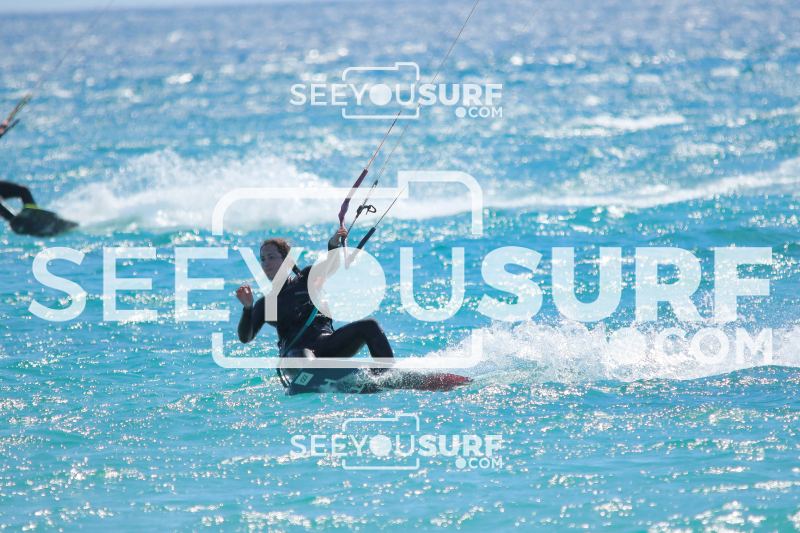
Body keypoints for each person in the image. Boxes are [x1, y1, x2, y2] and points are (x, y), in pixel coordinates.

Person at [235, 228, 394, 384]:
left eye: (271, 257)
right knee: (305, 360)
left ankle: (390, 376)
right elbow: (245, 337)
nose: (266, 263)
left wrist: (333, 244)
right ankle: (314, 377)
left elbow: (331, 265)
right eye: (263, 259)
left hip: (326, 344)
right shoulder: (266, 303)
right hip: (296, 354)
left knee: (370, 325)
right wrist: (248, 308)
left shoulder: (307, 278)